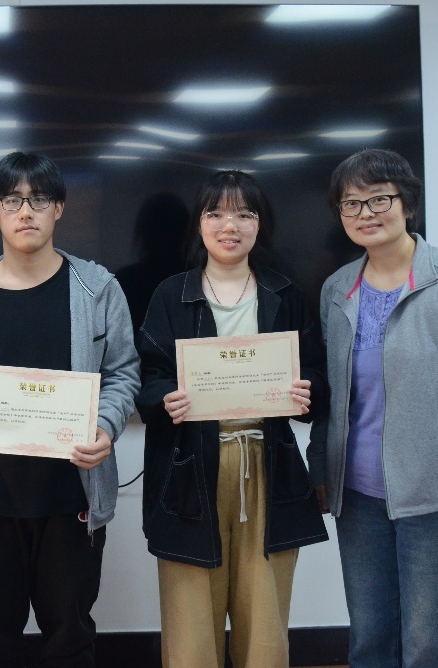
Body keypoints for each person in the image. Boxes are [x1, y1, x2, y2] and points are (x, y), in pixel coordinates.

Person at [0, 151, 140, 668]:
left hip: (71, 498)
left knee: (70, 638)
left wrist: (106, 427)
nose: (26, 211)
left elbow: (123, 373)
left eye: (39, 199)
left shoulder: (98, 290)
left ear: (59, 208)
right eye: (12, 200)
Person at [308, 148, 438, 668]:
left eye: (379, 199)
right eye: (351, 203)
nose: (365, 213)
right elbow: (332, 395)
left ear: (408, 204)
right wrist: (320, 469)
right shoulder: (337, 290)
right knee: (370, 641)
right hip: (358, 498)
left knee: (431, 647)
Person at [136, 170, 328, 668]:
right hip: (188, 472)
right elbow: (146, 376)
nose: (230, 225)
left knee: (264, 622)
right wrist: (164, 399)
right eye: (216, 213)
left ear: (260, 225)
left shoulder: (284, 294)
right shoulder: (171, 294)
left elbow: (317, 375)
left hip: (267, 467)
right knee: (189, 625)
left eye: (245, 214)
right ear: (199, 224)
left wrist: (305, 391)